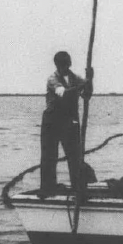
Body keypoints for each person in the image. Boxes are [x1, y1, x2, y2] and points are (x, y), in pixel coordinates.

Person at [39, 51, 93, 197]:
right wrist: (84, 84)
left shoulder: (75, 78)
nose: (65, 67)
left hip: (69, 121)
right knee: (49, 156)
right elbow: (63, 94)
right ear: (57, 65)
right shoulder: (52, 79)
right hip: (51, 122)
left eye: (67, 64)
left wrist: (90, 81)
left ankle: (78, 188)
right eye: (62, 65)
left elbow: (86, 95)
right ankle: (48, 189)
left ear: (69, 64)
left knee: (75, 156)